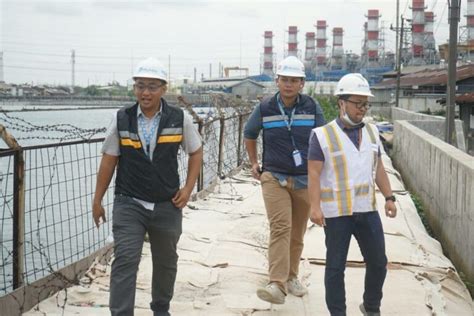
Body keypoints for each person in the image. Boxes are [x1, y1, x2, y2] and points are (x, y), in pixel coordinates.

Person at [92, 57, 203, 316]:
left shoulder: (179, 118)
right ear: (134, 89)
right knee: (126, 260)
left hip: (167, 204)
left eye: (152, 86)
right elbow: (109, 160)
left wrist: (187, 190)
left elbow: (196, 152)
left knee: (166, 262)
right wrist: (97, 200)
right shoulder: (122, 119)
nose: (145, 92)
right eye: (140, 86)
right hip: (129, 202)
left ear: (164, 89)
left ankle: (160, 309)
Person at [307, 73, 397, 316]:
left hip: (367, 209)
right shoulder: (321, 135)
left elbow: (377, 166)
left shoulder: (372, 132)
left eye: (365, 104)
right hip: (337, 213)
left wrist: (389, 197)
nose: (362, 109)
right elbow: (313, 174)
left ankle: (371, 307)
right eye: (358, 104)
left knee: (378, 262)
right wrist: (314, 207)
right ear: (341, 103)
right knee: (335, 268)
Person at [244, 56, 326, 304]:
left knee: (297, 232)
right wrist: (254, 163)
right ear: (277, 81)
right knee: (280, 227)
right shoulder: (265, 107)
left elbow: (323, 140)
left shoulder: (312, 107)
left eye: (294, 80)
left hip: (303, 180)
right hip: (274, 177)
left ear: (302, 83)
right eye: (284, 80)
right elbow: (250, 134)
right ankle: (276, 283)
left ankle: (292, 276)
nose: (289, 84)